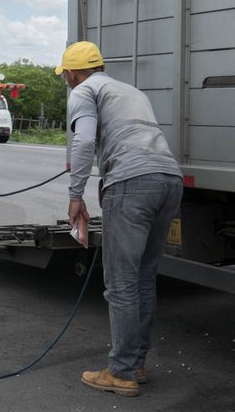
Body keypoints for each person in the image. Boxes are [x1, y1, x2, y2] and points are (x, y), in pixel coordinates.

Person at [55, 41, 183, 397]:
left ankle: (122, 371)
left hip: (131, 183)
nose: (67, 80)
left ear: (72, 73)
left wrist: (75, 195)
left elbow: (82, 144)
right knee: (143, 279)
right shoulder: (129, 90)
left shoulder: (83, 91)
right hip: (169, 180)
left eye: (66, 75)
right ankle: (136, 363)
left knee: (122, 283)